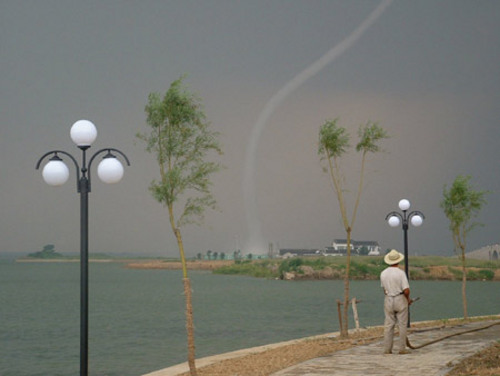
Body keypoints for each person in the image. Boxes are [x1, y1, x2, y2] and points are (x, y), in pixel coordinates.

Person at [380, 249, 412, 354]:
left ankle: (387, 349)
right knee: (402, 325)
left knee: (389, 325)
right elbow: (406, 290)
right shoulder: (401, 273)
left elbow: (384, 289)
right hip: (400, 298)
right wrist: (408, 300)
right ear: (398, 261)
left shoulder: (383, 273)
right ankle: (402, 349)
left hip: (388, 299)